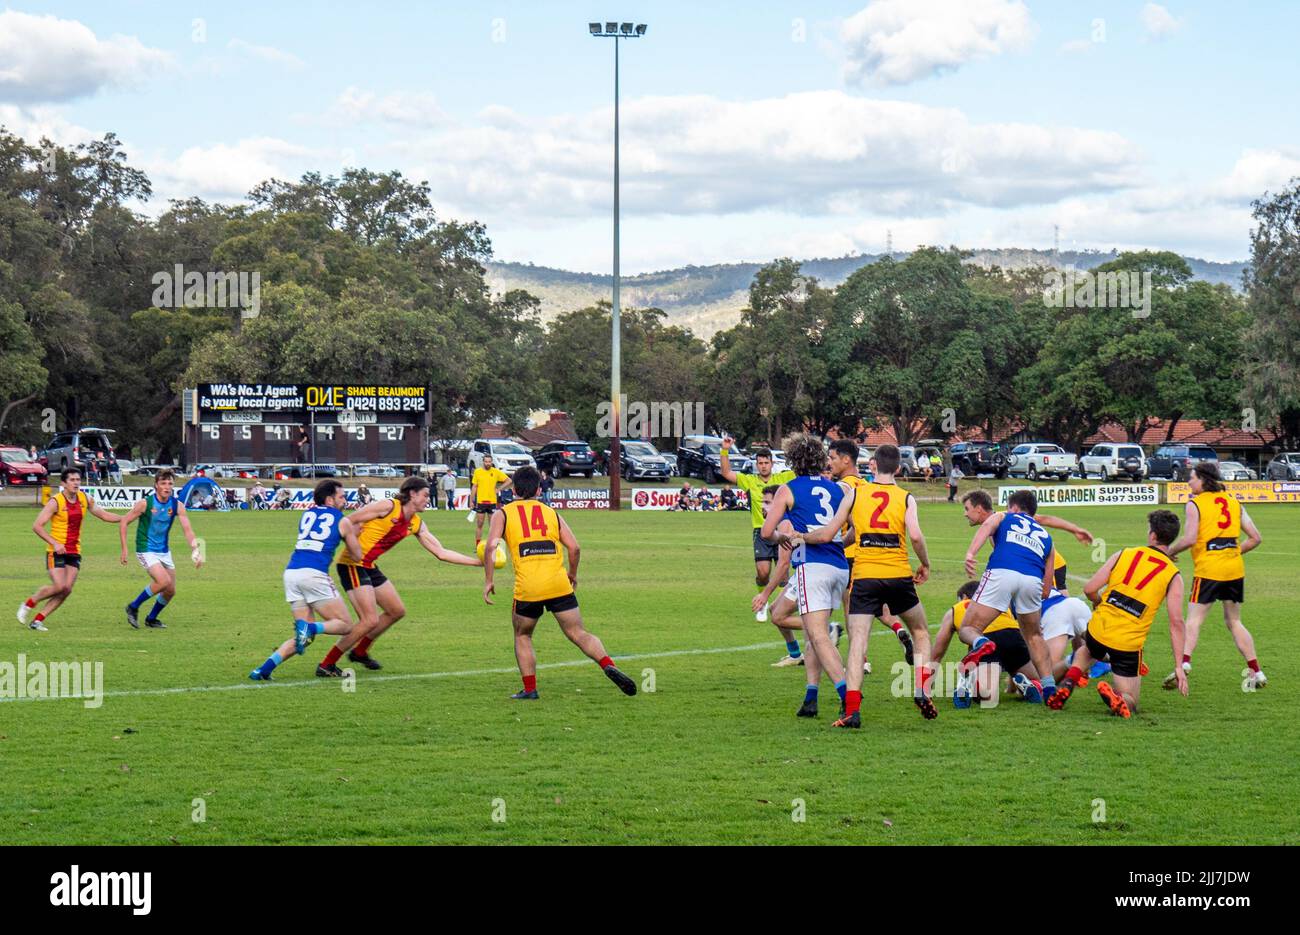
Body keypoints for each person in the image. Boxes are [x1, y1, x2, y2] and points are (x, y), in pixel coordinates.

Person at [801, 443, 937, 724]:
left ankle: (852, 710)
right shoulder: (905, 497)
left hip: (864, 577)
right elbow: (915, 536)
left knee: (858, 642)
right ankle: (922, 690)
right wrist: (924, 563)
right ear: (898, 468)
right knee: (921, 631)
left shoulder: (855, 494)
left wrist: (801, 537)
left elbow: (830, 534)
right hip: (898, 575)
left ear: (873, 464)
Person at [483, 466, 637, 700]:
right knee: (578, 632)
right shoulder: (551, 512)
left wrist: (489, 580)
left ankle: (530, 689)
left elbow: (492, 546)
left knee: (523, 636)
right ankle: (607, 663)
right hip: (558, 583)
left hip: (529, 588)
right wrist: (572, 574)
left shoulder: (502, 514)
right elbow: (574, 548)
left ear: (513, 489)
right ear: (538, 489)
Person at [317, 476, 480, 675]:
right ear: (412, 494)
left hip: (369, 565)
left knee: (396, 610)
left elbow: (441, 552)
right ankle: (327, 664)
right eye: (425, 495)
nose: (428, 499)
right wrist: (352, 539)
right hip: (352, 564)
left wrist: (479, 562)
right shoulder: (388, 506)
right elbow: (349, 520)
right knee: (369, 620)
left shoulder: (416, 523)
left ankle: (360, 652)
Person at [1048, 510, 1188, 717]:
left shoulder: (1124, 554)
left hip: (1098, 630)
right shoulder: (1173, 575)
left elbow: (1090, 589)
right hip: (1127, 643)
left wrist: (1098, 603)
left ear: (1152, 535)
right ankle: (1120, 699)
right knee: (1132, 700)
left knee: (1090, 649)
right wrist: (1178, 666)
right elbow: (1176, 622)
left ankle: (1069, 681)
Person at [760, 434, 852, 722]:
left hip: (812, 566)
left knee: (819, 636)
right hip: (839, 567)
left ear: (791, 461)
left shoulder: (788, 489)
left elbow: (766, 532)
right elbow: (854, 532)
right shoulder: (838, 489)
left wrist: (783, 537)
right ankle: (811, 698)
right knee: (816, 633)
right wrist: (834, 542)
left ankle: (849, 697)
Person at [1163, 461, 1265, 690]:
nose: (1188, 482)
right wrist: (1230, 551)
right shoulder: (1234, 502)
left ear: (1202, 479)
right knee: (1235, 621)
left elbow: (1189, 539)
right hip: (1234, 569)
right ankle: (1257, 671)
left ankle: (1185, 664)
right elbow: (1255, 538)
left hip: (1208, 570)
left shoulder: (1195, 504)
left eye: (1191, 478)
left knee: (1194, 619)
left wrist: (1168, 552)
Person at [249, 480, 364, 680]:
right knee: (345, 625)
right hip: (314, 574)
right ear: (330, 499)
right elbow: (356, 555)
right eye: (341, 496)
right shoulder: (342, 520)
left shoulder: (307, 514)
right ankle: (310, 627)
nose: (345, 500)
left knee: (305, 638)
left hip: (292, 573)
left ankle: (263, 670)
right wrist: (355, 534)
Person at [960, 489, 1057, 701]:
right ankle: (1050, 688)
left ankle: (981, 644)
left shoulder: (1004, 515)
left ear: (1013, 507)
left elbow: (987, 527)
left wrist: (970, 554)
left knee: (968, 628)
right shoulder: (1047, 536)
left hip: (1002, 571)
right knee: (1034, 635)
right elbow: (1047, 589)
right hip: (1032, 580)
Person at [825, 438, 913, 668]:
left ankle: (860, 660)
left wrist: (836, 544)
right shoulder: (864, 484)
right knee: (874, 606)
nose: (829, 463)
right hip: (877, 555)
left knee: (852, 610)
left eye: (832, 458)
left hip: (855, 555)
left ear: (846, 460)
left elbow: (853, 525)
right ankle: (899, 628)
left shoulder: (844, 487)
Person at [17, 468, 122, 631]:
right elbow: (37, 526)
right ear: (63, 483)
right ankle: (29, 603)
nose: (76, 483)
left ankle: (38, 620)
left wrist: (125, 518)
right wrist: (55, 543)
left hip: (74, 551)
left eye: (78, 480)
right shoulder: (56, 501)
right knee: (59, 586)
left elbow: (103, 514)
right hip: (56, 550)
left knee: (66, 589)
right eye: (72, 480)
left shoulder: (84, 498)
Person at [718, 436, 796, 622]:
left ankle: (781, 607)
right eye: (760, 463)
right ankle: (763, 603)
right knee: (762, 573)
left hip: (782, 531)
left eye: (766, 462)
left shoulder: (783, 478)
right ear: (756, 464)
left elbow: (801, 472)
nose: (763, 466)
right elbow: (726, 472)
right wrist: (724, 450)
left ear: (772, 463)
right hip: (760, 531)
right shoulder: (750, 481)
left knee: (784, 576)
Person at [932, 581, 1041, 707]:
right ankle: (1028, 684)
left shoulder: (956, 609)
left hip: (985, 640)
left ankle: (967, 680)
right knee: (1036, 682)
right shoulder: (1000, 602)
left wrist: (926, 686)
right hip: (1013, 635)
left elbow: (937, 653)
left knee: (986, 696)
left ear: (964, 597)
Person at [118, 469, 202, 629]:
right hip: (145, 549)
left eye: (170, 483)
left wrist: (195, 550)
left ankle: (151, 618)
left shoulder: (177, 505)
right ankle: (133, 607)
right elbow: (123, 522)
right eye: (163, 483)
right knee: (163, 581)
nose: (167, 487)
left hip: (164, 551)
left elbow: (188, 530)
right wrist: (124, 549)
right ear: (156, 485)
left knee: (170, 591)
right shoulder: (145, 504)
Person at [751, 485, 806, 668]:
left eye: (768, 503)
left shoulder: (784, 523)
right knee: (775, 610)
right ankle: (795, 654)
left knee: (778, 616)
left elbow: (782, 566)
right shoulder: (784, 520)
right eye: (762, 502)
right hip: (802, 571)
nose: (763, 507)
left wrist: (764, 594)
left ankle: (826, 630)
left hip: (806, 572)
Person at [470, 454, 510, 547]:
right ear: (483, 462)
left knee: (493, 526)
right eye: (486, 461)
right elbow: (474, 486)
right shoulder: (478, 472)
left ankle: (492, 545)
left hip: (492, 502)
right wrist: (471, 501)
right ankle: (478, 546)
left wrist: (499, 489)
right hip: (480, 502)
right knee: (479, 524)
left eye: (489, 461)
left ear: (492, 462)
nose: (488, 463)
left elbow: (508, 480)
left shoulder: (495, 472)